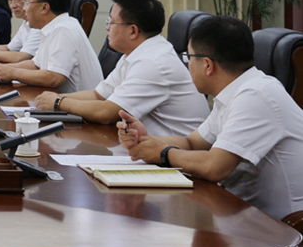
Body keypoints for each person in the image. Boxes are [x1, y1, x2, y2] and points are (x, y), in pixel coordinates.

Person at [119, 15, 303, 220]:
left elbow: (215, 167)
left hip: (285, 227)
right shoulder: (235, 92)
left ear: (207, 65)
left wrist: (163, 153)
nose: (188, 65)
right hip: (243, 214)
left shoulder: (255, 96)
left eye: (189, 58)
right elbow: (192, 143)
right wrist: (146, 139)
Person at [33, 0, 209, 135]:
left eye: (111, 22)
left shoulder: (152, 63)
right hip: (150, 147)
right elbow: (98, 95)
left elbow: (107, 113)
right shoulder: (136, 54)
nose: (107, 28)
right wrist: (52, 99)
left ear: (133, 31)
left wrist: (58, 103)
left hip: (177, 157)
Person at [0, 0, 102, 93]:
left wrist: (13, 73)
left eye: (27, 3)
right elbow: (35, 65)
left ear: (44, 7)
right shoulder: (52, 27)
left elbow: (54, 78)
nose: (24, 8)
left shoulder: (64, 30)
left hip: (79, 104)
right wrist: (1, 68)